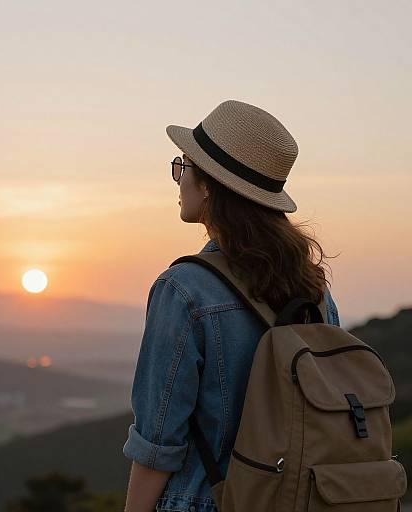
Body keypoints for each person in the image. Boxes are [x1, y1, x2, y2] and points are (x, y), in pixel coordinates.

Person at [122, 100, 341, 512]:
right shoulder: (316, 291)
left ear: (208, 185)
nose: (178, 179)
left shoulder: (184, 289)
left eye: (183, 166)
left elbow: (157, 444)